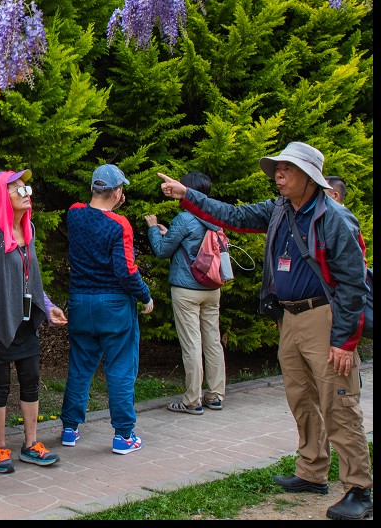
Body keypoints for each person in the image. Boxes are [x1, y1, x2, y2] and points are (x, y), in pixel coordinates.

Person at [158, 141, 372, 520]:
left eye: (286, 169)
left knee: (339, 405)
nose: (278, 175)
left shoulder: (335, 218)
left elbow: (354, 285)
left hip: (325, 319)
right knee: (301, 399)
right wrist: (186, 194)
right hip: (289, 318)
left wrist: (344, 341)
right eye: (276, 169)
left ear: (309, 176)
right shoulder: (278, 209)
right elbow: (233, 215)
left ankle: (359, 489)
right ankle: (311, 471)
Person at [0, 169, 67, 474]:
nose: (26, 194)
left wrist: (47, 306)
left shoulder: (29, 229)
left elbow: (31, 278)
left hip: (25, 325)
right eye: (18, 190)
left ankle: (31, 444)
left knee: (31, 382)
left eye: (27, 189)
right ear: (2, 196)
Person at [60, 164, 154, 456]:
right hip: (113, 305)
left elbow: (90, 215)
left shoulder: (74, 214)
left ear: (92, 188)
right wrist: (145, 295)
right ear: (117, 192)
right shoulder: (120, 224)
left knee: (80, 367)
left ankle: (69, 428)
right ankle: (124, 435)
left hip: (79, 302)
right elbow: (125, 271)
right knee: (120, 368)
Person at [144, 171, 227, 416]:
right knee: (213, 341)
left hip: (187, 289)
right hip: (212, 288)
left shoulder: (185, 218)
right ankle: (216, 395)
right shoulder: (215, 218)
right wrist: (170, 232)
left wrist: (152, 229)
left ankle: (192, 400)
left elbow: (162, 251)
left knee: (192, 344)